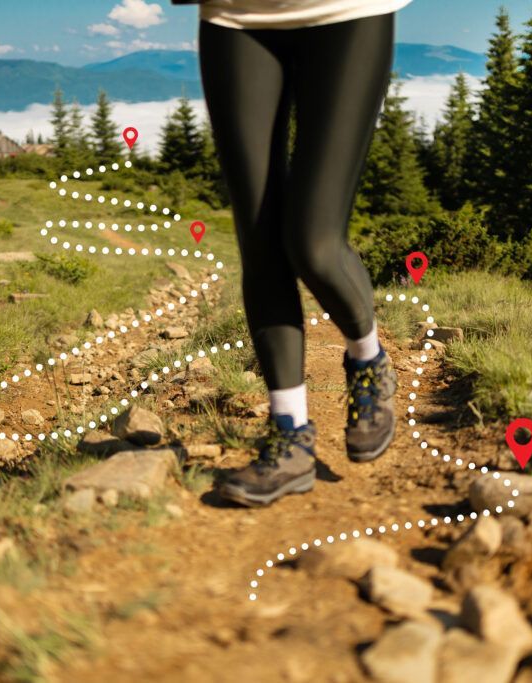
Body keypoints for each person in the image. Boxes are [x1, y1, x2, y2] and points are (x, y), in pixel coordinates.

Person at [175, 0, 412, 506]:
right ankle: (290, 435)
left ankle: (368, 360)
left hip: (347, 11)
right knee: (259, 239)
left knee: (313, 241)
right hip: (234, 18)